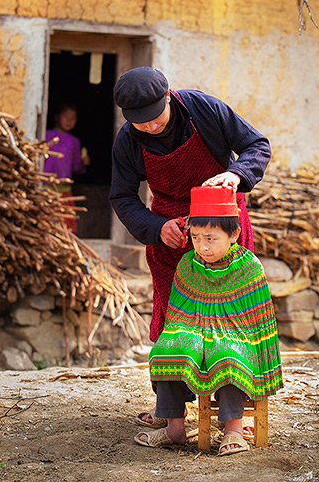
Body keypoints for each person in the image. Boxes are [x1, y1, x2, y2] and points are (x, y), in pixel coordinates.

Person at [110, 66, 271, 346]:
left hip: (222, 223)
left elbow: (256, 145)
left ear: (168, 97)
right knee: (176, 315)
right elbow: (122, 196)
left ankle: (233, 383)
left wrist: (236, 173)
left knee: (232, 309)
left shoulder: (205, 110)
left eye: (154, 117)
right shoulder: (128, 139)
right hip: (171, 234)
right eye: (141, 122)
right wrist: (156, 228)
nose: (150, 127)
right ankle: (176, 382)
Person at [134, 185, 283, 454]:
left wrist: (221, 337)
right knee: (168, 347)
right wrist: (189, 334)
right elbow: (176, 316)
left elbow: (258, 324)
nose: (202, 246)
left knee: (227, 354)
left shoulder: (250, 267)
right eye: (195, 237)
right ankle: (174, 427)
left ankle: (233, 429)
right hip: (193, 330)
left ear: (234, 234)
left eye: (211, 238)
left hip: (239, 337)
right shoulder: (187, 266)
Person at [44, 103, 90, 232]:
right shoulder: (46, 135)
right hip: (46, 187)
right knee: (47, 222)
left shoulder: (75, 142)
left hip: (65, 190)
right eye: (66, 116)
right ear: (57, 117)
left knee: (67, 224)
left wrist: (83, 163)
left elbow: (76, 168)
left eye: (73, 118)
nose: (69, 120)